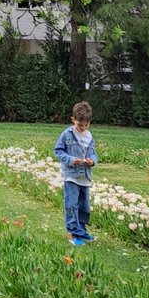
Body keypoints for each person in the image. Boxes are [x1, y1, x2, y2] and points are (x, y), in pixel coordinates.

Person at [53, 101, 98, 246]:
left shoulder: (89, 136)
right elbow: (58, 151)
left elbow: (93, 153)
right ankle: (73, 233)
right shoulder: (67, 135)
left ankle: (82, 229)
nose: (83, 128)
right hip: (71, 176)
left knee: (84, 207)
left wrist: (92, 161)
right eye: (80, 125)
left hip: (85, 177)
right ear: (73, 120)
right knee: (71, 205)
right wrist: (71, 160)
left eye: (86, 125)